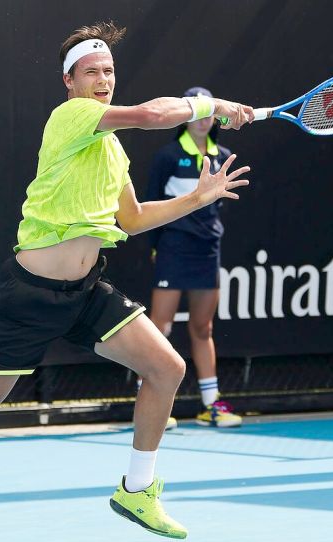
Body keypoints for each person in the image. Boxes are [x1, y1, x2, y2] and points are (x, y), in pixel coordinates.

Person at [0, 21, 253, 540]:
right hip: (30, 296)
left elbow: (130, 219)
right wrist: (214, 105)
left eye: (109, 69)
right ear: (70, 81)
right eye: (92, 71)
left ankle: (136, 490)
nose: (103, 78)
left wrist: (195, 199)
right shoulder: (72, 117)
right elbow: (154, 114)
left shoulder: (111, 150)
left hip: (85, 293)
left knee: (166, 368)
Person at [144, 87, 242, 428]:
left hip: (206, 251)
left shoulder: (223, 155)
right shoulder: (168, 157)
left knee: (203, 327)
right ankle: (150, 401)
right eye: (196, 112)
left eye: (208, 113)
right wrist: (157, 246)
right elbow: (148, 205)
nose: (202, 120)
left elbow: (217, 207)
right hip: (173, 248)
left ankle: (211, 405)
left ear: (215, 117)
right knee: (161, 327)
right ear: (186, 116)